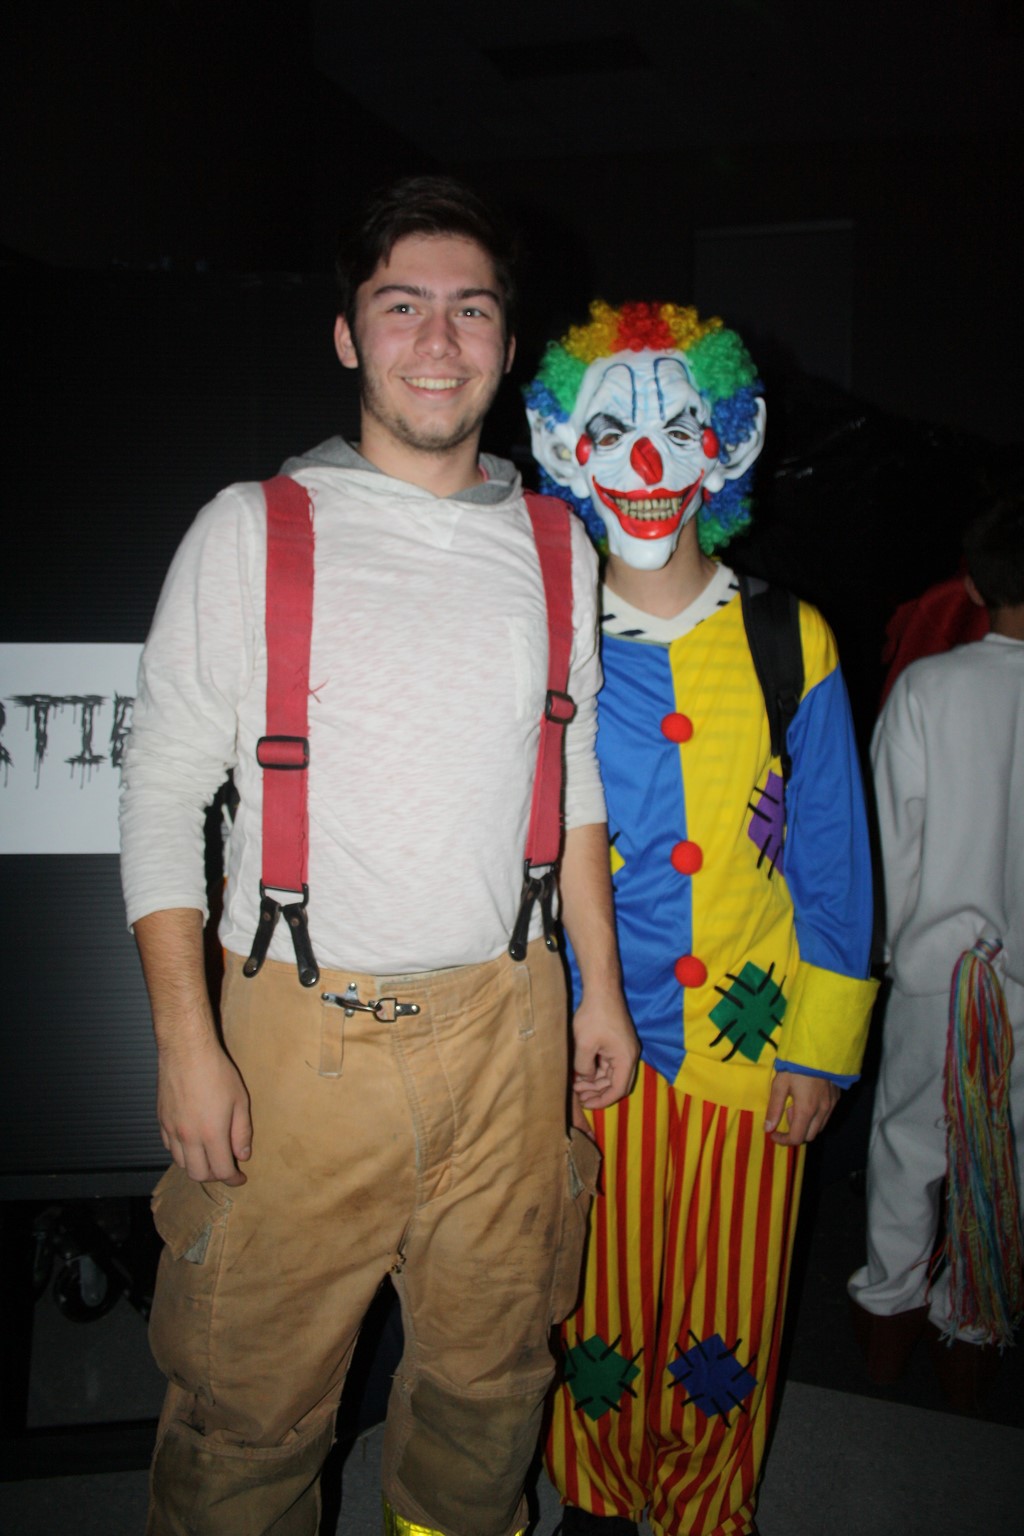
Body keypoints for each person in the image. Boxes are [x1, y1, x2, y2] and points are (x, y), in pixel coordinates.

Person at [120, 178, 638, 1536]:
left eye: (471, 309)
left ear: (508, 342)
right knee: (248, 1408)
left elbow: (573, 770)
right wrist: (186, 1043)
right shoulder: (253, 529)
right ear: (350, 335)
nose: (437, 340)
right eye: (401, 307)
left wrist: (599, 987)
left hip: (511, 1028)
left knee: (488, 1394)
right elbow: (163, 788)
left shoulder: (556, 544)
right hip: (302, 1042)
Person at [526, 300, 877, 1536]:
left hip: (751, 1041)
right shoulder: (544, 639)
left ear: (729, 443)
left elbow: (834, 864)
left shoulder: (791, 638)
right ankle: (593, 1494)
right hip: (590, 1051)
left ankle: (704, 1508)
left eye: (679, 429)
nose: (646, 461)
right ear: (563, 450)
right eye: (613, 433)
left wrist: (821, 1046)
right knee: (591, 1304)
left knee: (727, 1316)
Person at [848, 496, 1024, 1404]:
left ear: (973, 587)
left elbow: (893, 842)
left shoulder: (929, 688)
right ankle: (974, 1331)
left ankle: (889, 1319)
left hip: (938, 974)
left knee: (909, 1143)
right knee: (1014, 1157)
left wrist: (882, 954)